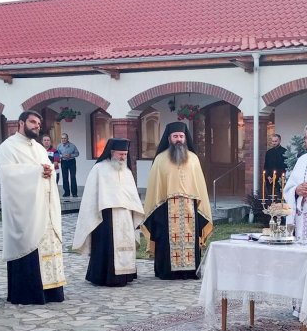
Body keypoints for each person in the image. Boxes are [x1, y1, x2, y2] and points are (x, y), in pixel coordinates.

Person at [0, 110, 66, 304]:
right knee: (29, 245)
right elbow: (8, 175)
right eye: (33, 122)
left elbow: (48, 169)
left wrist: (48, 172)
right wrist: (36, 172)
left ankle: (51, 291)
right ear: (21, 123)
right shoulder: (7, 147)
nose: (37, 126)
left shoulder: (39, 148)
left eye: (38, 123)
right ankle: (28, 293)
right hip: (25, 210)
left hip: (45, 206)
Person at [141, 121, 214, 280]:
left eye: (181, 136)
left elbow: (199, 185)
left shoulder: (193, 159)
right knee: (165, 239)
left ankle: (190, 271)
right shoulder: (160, 159)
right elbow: (155, 186)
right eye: (175, 136)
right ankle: (167, 271)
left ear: (185, 138)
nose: (179, 139)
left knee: (191, 238)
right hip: (165, 207)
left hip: (190, 206)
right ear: (169, 138)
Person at [73, 138, 145, 287]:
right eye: (120, 154)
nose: (123, 157)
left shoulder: (127, 171)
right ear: (111, 152)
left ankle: (125, 275)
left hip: (125, 215)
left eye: (125, 154)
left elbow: (131, 195)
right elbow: (91, 196)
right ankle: (104, 276)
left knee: (126, 243)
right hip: (105, 217)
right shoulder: (99, 169)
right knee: (106, 247)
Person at [263, 133, 287, 199]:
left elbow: (284, 167)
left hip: (279, 179)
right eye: (273, 141)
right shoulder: (268, 152)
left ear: (279, 141)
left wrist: (275, 177)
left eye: (275, 141)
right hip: (269, 179)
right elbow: (266, 166)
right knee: (269, 197)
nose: (274, 143)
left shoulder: (284, 152)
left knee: (279, 198)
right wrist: (268, 176)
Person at [57, 132, 80, 197]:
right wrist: (62, 156)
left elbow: (77, 153)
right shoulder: (59, 146)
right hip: (64, 162)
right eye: (62, 138)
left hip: (71, 161)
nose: (63, 140)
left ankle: (74, 193)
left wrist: (71, 155)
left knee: (73, 177)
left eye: (65, 138)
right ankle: (66, 192)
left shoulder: (72, 146)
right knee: (65, 177)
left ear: (67, 138)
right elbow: (57, 154)